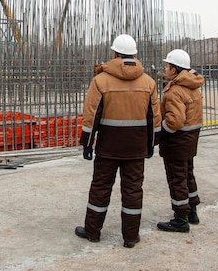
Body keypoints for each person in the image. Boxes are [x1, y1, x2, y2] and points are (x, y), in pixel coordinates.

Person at [75, 34, 161, 248]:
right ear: (134, 55)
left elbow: (91, 116)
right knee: (133, 190)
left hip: (108, 148)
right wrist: (152, 143)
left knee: (100, 188)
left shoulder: (100, 80)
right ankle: (130, 237)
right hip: (136, 147)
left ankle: (93, 231)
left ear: (114, 54)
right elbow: (154, 117)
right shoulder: (148, 82)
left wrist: (87, 144)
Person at [156, 49, 205, 233]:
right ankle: (192, 212)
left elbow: (174, 121)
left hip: (177, 143)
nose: (165, 68)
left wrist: (162, 132)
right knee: (188, 175)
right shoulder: (194, 87)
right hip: (190, 141)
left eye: (167, 66)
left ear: (174, 70)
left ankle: (180, 219)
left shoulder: (175, 91)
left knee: (177, 179)